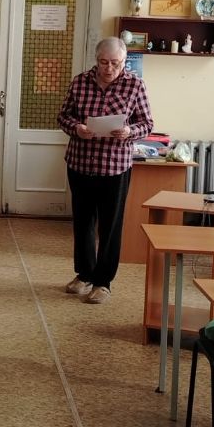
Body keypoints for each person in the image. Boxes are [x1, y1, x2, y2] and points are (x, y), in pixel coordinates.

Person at [57, 37, 153, 304]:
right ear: (96, 59)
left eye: (116, 63)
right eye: (104, 62)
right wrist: (76, 128)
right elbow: (63, 116)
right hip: (81, 163)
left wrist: (130, 131)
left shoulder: (135, 85)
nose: (109, 68)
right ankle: (84, 274)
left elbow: (147, 123)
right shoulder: (80, 82)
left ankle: (103, 282)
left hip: (115, 167)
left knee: (110, 226)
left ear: (124, 61)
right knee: (83, 222)